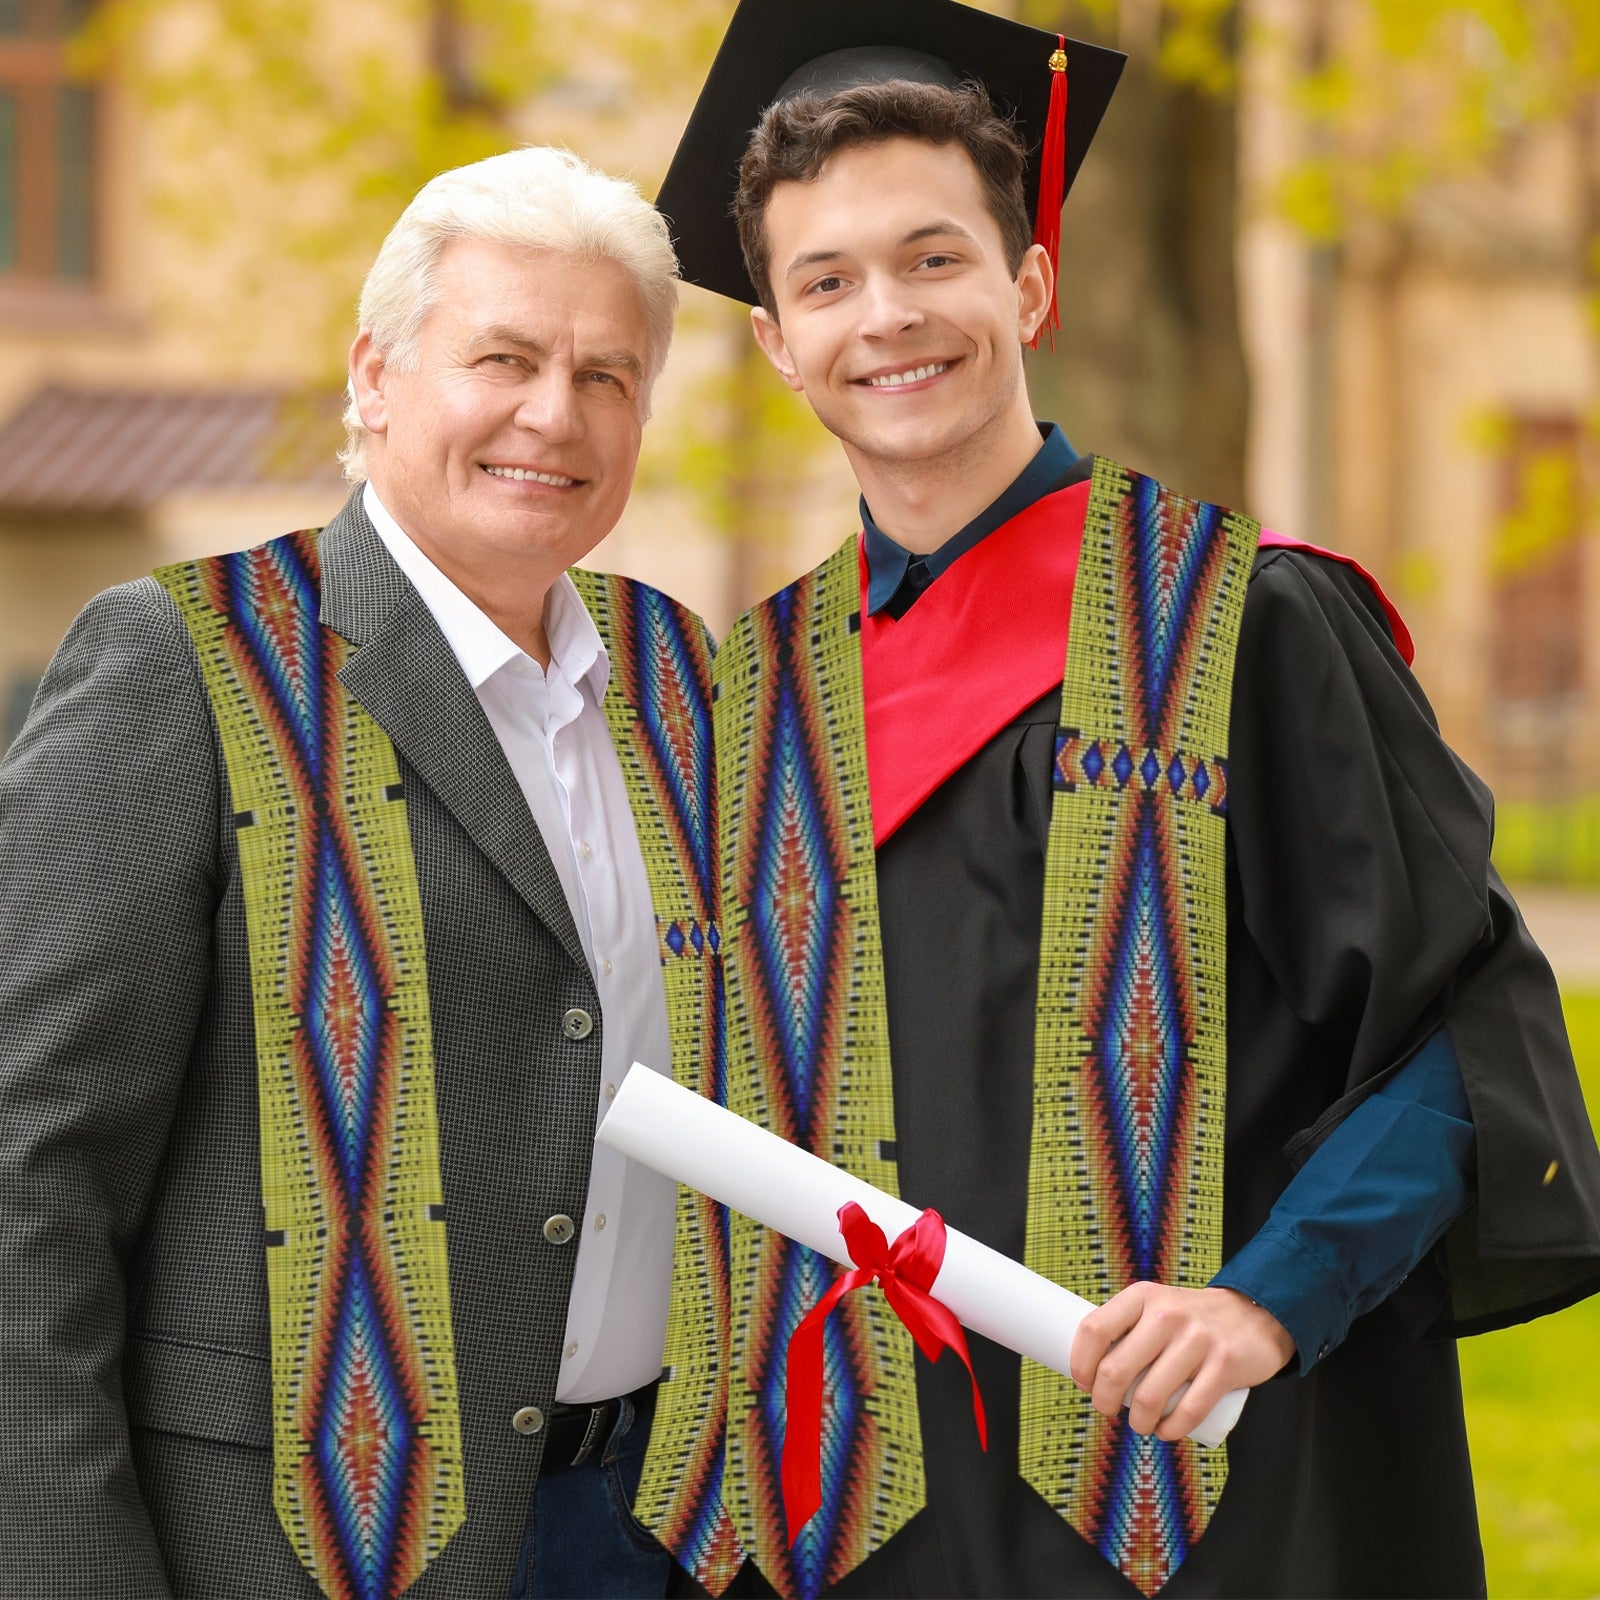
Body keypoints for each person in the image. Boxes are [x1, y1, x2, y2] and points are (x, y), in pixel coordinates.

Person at [630, 3, 1600, 1597]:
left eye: (935, 259)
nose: (888, 316)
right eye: (828, 281)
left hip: (1208, 1496)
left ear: (1029, 282)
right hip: (862, 1524)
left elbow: (1462, 1034)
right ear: (778, 342)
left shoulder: (1247, 626)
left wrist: (1269, 1299)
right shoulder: (753, 703)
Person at [0, 146, 714, 1600]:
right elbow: (27, 1176)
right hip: (292, 1548)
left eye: (605, 375)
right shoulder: (187, 663)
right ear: (375, 377)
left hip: (647, 1531)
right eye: (502, 357)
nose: (552, 414)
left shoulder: (681, 682)